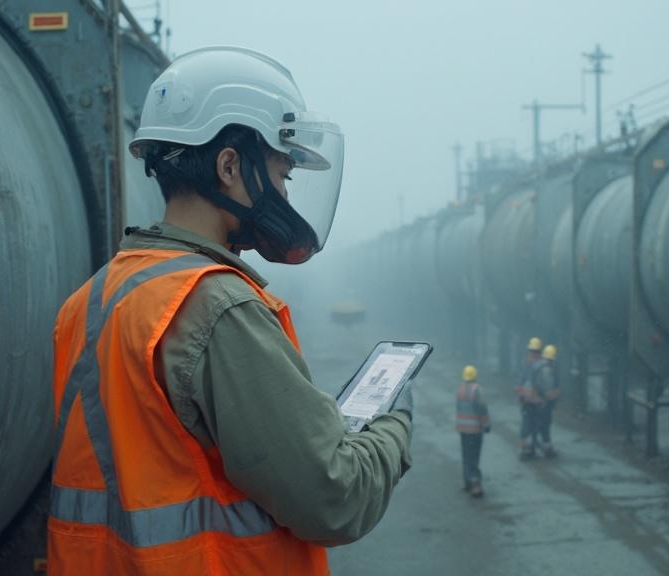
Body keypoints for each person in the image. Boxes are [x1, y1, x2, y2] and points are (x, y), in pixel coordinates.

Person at [47, 47, 412, 575]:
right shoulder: (218, 308)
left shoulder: (94, 299)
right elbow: (336, 497)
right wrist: (393, 423)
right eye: (284, 174)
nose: (287, 194)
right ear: (229, 166)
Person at [455, 365, 490, 497]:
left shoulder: (460, 389)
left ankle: (468, 482)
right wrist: (486, 424)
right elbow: (482, 409)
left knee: (466, 456)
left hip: (463, 430)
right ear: (474, 376)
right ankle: (476, 485)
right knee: (474, 457)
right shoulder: (476, 390)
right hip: (474, 430)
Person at [518, 337, 544, 460]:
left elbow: (522, 381)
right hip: (532, 400)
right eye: (532, 351)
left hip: (532, 400)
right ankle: (528, 450)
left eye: (534, 351)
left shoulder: (528, 364)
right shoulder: (539, 365)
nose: (532, 353)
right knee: (529, 425)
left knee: (530, 426)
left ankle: (529, 449)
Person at [535, 345, 560, 458]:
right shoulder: (547, 370)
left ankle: (538, 444)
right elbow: (544, 387)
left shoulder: (539, 367)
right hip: (544, 402)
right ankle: (546, 448)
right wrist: (548, 398)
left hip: (539, 401)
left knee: (541, 424)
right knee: (545, 424)